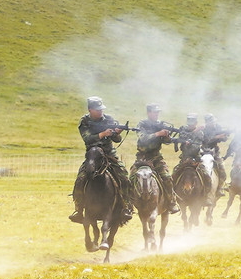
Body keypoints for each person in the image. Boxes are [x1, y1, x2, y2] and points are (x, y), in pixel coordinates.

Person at [69, 96, 133, 224]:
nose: (100, 112)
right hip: (93, 156)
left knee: (124, 176)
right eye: (97, 110)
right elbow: (87, 139)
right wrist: (102, 134)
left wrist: (116, 133)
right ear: (90, 109)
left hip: (109, 154)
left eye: (101, 109)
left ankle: (126, 206)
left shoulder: (109, 119)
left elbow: (117, 140)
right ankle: (79, 209)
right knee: (81, 179)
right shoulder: (85, 121)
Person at [129, 103, 180, 214]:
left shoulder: (161, 124)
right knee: (131, 178)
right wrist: (158, 133)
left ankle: (171, 202)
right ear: (148, 113)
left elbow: (167, 141)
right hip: (141, 159)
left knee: (167, 177)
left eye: (158, 112)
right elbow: (143, 138)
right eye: (154, 112)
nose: (157, 114)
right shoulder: (142, 124)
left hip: (156, 158)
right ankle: (129, 204)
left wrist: (166, 136)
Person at [172, 113, 212, 204]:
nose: (191, 125)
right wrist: (194, 132)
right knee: (174, 175)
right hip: (184, 160)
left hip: (196, 160)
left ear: (196, 123)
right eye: (189, 123)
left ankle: (206, 197)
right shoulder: (183, 129)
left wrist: (196, 133)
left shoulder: (200, 133)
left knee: (207, 176)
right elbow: (182, 138)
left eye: (193, 123)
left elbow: (196, 147)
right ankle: (173, 197)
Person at [202, 113, 229, 197]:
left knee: (222, 169)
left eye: (213, 121)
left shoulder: (218, 127)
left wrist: (224, 136)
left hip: (214, 152)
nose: (213, 123)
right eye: (210, 122)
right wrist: (216, 137)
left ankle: (220, 187)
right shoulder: (202, 129)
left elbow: (224, 139)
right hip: (202, 151)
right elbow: (205, 140)